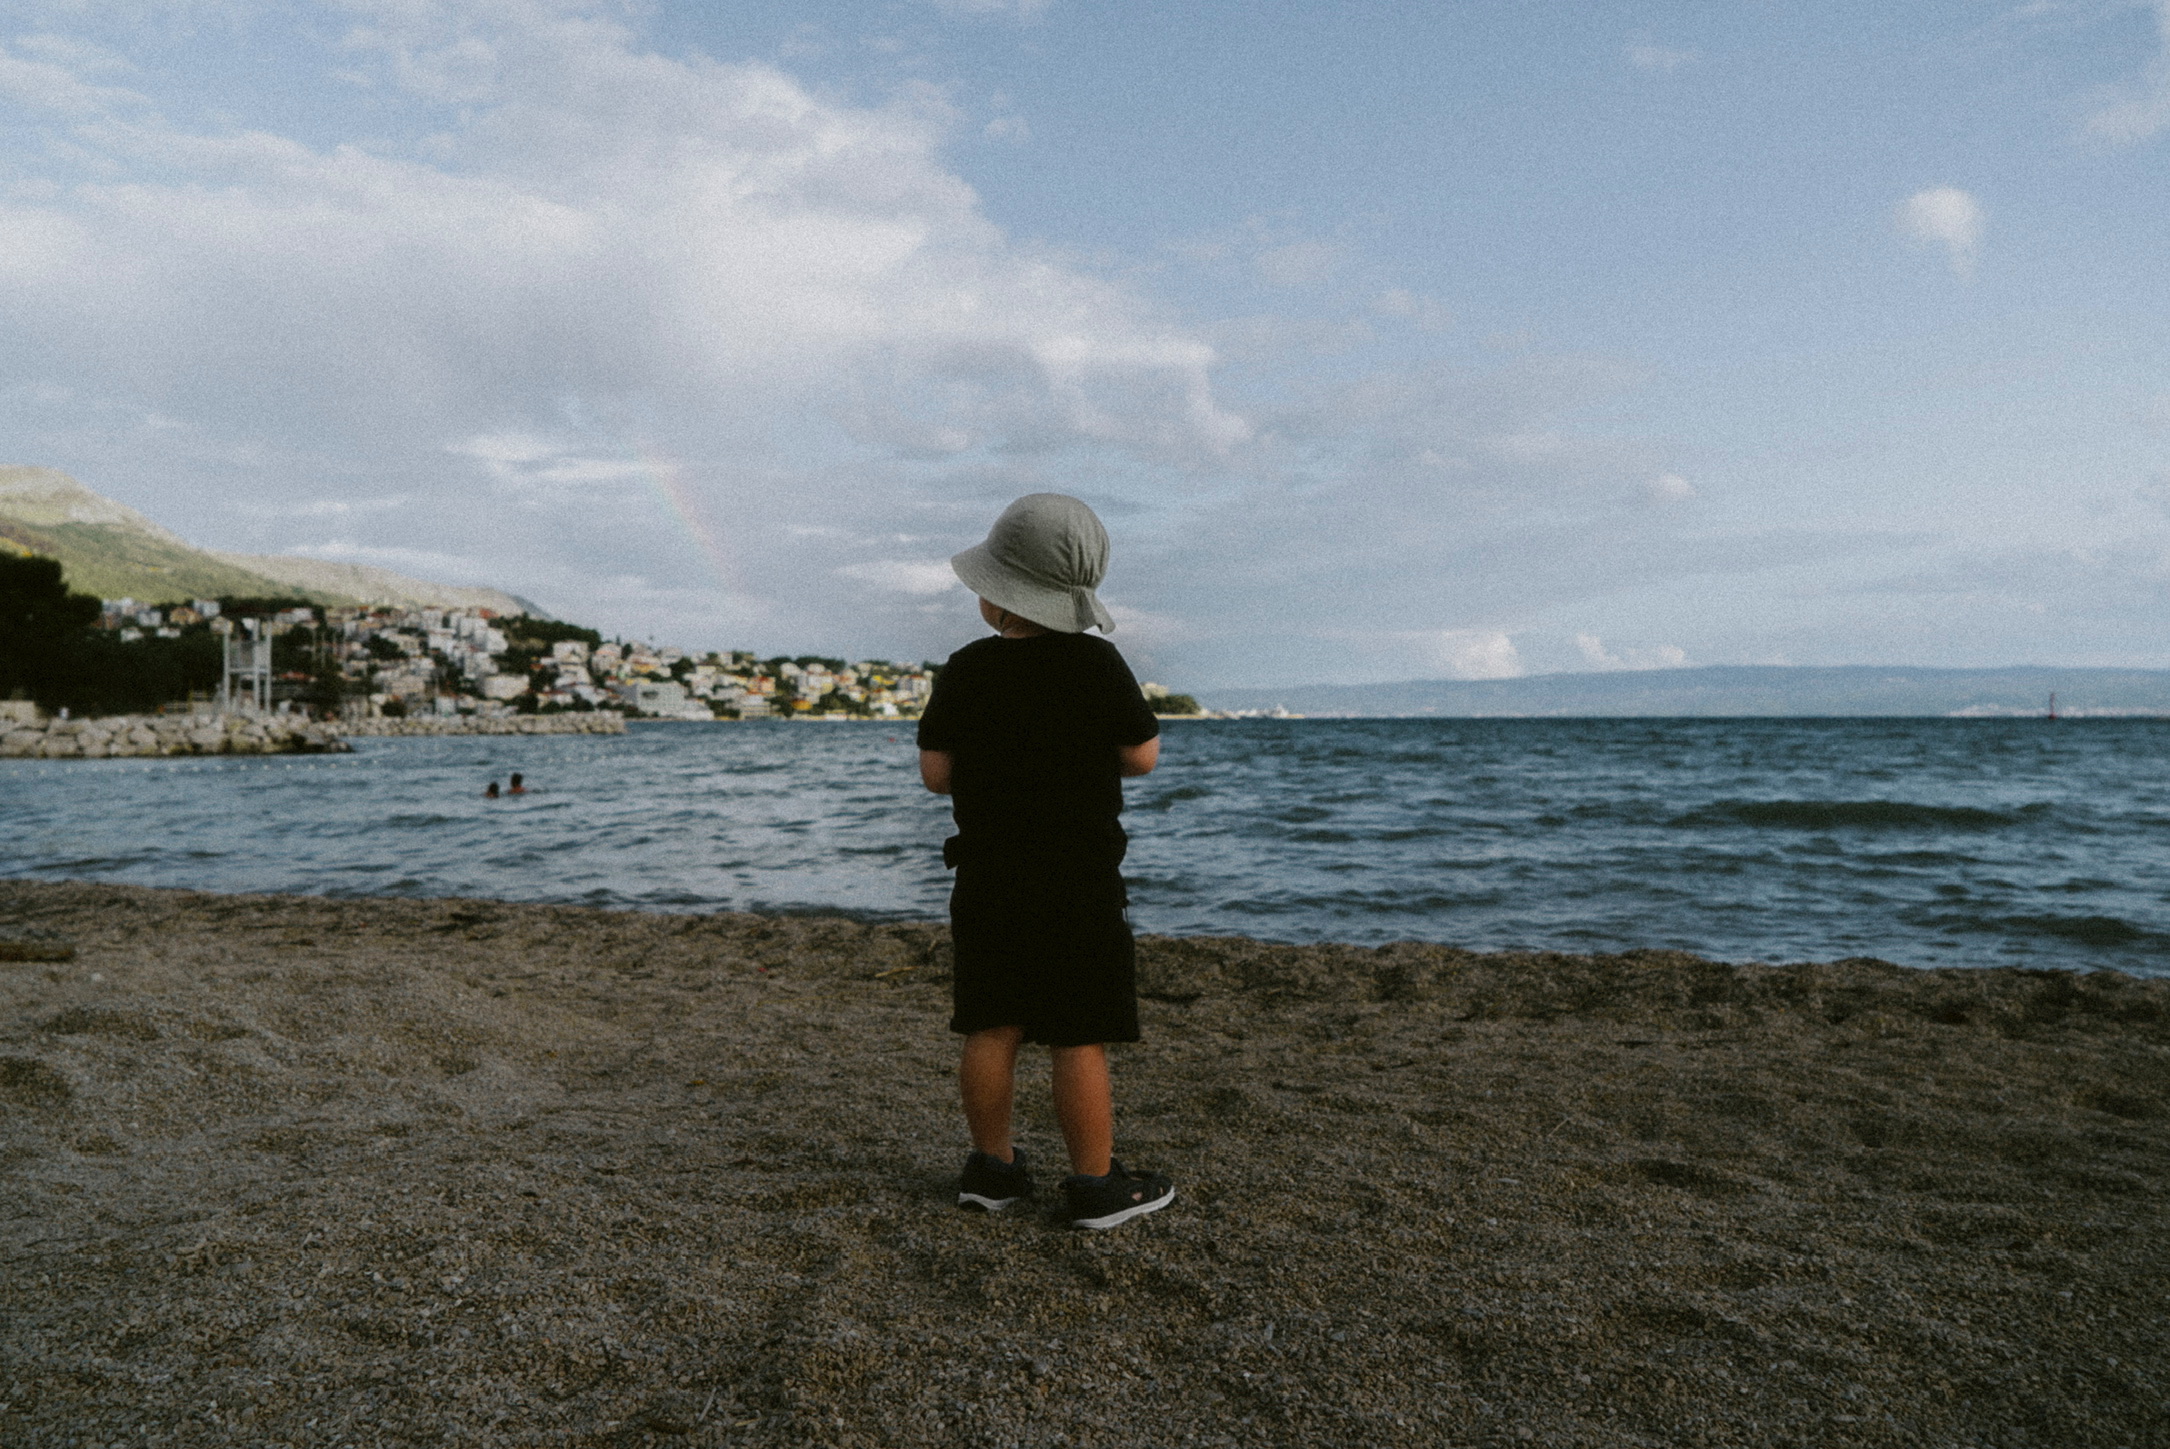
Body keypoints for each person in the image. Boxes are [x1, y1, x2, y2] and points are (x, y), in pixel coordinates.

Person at [916, 493, 1176, 1231]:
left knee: (991, 1024)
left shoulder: (966, 669)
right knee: (1075, 1033)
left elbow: (937, 774)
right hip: (1079, 883)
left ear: (999, 594)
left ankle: (991, 1169)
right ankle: (1095, 1183)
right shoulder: (1097, 664)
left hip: (988, 878)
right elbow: (1144, 755)